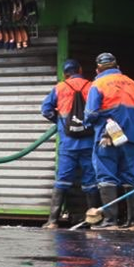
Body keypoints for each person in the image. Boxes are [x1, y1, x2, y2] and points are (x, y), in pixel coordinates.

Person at [84, 53, 134, 231]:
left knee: (106, 176)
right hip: (130, 138)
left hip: (106, 137)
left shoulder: (98, 84)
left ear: (97, 69)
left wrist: (89, 124)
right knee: (132, 177)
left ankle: (110, 222)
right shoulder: (133, 84)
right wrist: (130, 129)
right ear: (117, 66)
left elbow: (91, 114)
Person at [40, 58, 98, 228]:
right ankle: (93, 220)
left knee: (63, 179)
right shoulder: (91, 86)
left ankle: (52, 221)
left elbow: (46, 110)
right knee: (91, 180)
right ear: (80, 70)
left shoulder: (59, 88)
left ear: (65, 74)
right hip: (89, 141)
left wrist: (60, 123)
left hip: (68, 142)